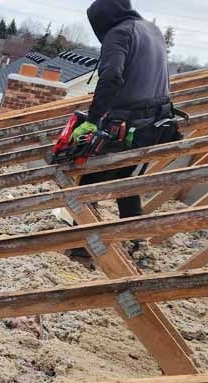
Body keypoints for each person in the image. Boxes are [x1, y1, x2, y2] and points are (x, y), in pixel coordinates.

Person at [70, 0, 181, 219]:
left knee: (89, 184)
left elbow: (111, 76)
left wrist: (92, 120)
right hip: (156, 123)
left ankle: (82, 247)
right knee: (125, 182)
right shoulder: (152, 29)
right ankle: (134, 239)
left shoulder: (119, 33)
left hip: (129, 125)